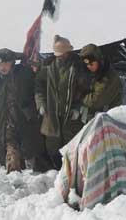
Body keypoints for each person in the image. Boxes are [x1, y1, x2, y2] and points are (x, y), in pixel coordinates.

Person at [0, 48, 48, 173]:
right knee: (9, 150)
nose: (2, 67)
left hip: (25, 121)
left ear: (12, 63)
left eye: (5, 64)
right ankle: (14, 176)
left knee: (32, 151)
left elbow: (39, 86)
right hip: (2, 123)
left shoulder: (25, 74)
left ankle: (34, 176)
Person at [35, 35, 87, 169]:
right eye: (58, 55)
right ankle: (58, 171)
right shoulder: (47, 67)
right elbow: (38, 87)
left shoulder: (78, 68)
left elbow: (85, 90)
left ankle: (70, 172)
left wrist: (78, 108)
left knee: (72, 146)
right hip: (51, 115)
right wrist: (41, 104)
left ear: (68, 53)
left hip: (70, 116)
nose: (60, 57)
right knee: (52, 146)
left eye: (63, 54)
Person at [79, 43, 123, 122]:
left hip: (109, 122)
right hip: (93, 118)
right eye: (86, 64)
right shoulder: (92, 72)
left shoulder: (108, 77)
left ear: (98, 61)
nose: (89, 66)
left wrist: (80, 96)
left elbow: (96, 101)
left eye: (91, 64)